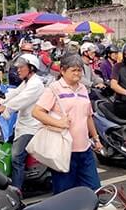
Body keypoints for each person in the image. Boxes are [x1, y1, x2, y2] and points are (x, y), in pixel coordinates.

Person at [32, 55, 103, 194]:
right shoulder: (54, 89)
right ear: (63, 71)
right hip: (64, 151)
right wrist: (58, 123)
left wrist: (96, 138)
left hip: (85, 150)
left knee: (94, 189)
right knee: (65, 194)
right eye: (73, 70)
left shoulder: (82, 88)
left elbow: (88, 116)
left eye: (79, 70)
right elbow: (37, 112)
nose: (77, 73)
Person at [0, 54, 44, 191]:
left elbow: (20, 100)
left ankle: (17, 190)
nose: (18, 70)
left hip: (31, 127)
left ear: (31, 68)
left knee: (16, 157)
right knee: (8, 147)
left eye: (21, 67)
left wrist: (0, 109)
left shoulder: (36, 84)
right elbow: (14, 93)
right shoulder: (27, 82)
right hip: (22, 124)